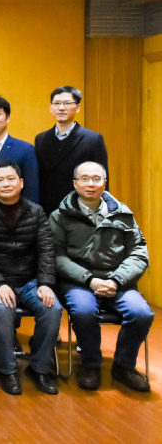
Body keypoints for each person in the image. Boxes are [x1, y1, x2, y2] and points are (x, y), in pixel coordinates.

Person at [49, 161, 153, 392]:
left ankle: (124, 366)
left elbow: (139, 253)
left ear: (104, 183)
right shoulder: (60, 216)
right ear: (75, 184)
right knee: (84, 311)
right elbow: (56, 256)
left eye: (96, 179)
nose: (91, 183)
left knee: (141, 314)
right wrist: (89, 279)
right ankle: (91, 365)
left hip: (119, 282)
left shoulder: (123, 214)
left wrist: (116, 280)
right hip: (79, 282)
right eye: (84, 178)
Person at [0, 161, 61, 395]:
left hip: (30, 281)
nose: (6, 184)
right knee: (3, 309)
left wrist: (46, 283)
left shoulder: (36, 212)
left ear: (21, 183)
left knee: (52, 308)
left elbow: (47, 250)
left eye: (11, 179)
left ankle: (38, 368)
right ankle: (7, 371)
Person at [34, 86, 109, 216]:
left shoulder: (93, 139)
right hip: (47, 209)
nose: (61, 108)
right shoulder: (41, 139)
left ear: (77, 107)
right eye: (57, 103)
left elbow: (101, 179)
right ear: (51, 108)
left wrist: (101, 212)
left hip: (80, 210)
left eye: (67, 103)